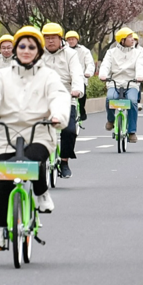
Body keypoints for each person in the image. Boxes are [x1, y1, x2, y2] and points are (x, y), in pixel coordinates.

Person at [0, 26, 67, 250]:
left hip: (39, 132)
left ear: (38, 51)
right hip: (7, 134)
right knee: (5, 180)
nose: (26, 50)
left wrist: (57, 116)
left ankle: (41, 192)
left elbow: (58, 96)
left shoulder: (49, 76)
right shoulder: (2, 75)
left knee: (33, 160)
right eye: (22, 46)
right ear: (16, 49)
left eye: (31, 47)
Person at [40, 22, 85, 178]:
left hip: (66, 97)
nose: (50, 41)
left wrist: (77, 89)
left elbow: (77, 73)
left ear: (60, 39)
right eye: (47, 38)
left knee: (69, 130)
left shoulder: (70, 54)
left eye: (53, 38)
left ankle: (64, 161)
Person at [100, 27, 143, 141]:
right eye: (129, 37)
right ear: (122, 40)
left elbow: (140, 65)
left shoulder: (138, 53)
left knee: (132, 101)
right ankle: (110, 120)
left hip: (131, 84)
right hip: (114, 83)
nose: (133, 39)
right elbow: (105, 64)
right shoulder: (111, 53)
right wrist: (103, 74)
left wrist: (140, 76)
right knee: (110, 98)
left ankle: (132, 132)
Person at [65, 31, 96, 123]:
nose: (71, 41)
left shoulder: (84, 51)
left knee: (82, 95)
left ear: (77, 40)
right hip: (66, 78)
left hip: (80, 77)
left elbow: (90, 64)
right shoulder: (63, 51)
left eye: (73, 39)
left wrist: (88, 73)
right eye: (69, 39)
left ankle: (82, 110)